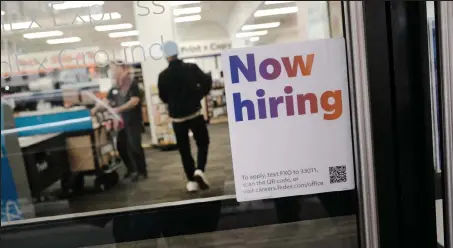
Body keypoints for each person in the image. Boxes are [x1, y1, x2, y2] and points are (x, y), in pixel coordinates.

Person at [158, 41, 212, 192]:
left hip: (177, 118)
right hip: (194, 113)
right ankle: (199, 170)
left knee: (184, 150)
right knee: (203, 143)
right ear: (177, 52)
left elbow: (163, 97)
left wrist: (174, 103)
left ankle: (191, 182)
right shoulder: (191, 68)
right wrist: (199, 95)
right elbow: (207, 81)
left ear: (166, 55)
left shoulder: (162, 76)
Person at [91, 61, 148, 181]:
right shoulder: (115, 87)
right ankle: (132, 169)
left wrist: (118, 109)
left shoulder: (131, 84)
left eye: (113, 69)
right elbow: (106, 101)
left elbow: (135, 100)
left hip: (132, 121)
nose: (112, 71)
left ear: (122, 69)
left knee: (134, 147)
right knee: (121, 147)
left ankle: (142, 171)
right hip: (121, 123)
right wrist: (95, 109)